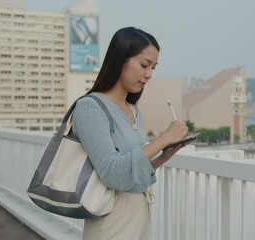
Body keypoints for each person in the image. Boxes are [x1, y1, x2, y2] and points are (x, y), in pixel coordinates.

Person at [70, 27, 189, 240]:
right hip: (111, 219)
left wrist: (163, 155)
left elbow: (130, 176)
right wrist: (162, 139)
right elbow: (113, 174)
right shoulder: (90, 107)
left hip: (140, 212)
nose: (149, 75)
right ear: (120, 59)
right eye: (144, 65)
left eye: (153, 67)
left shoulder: (132, 110)